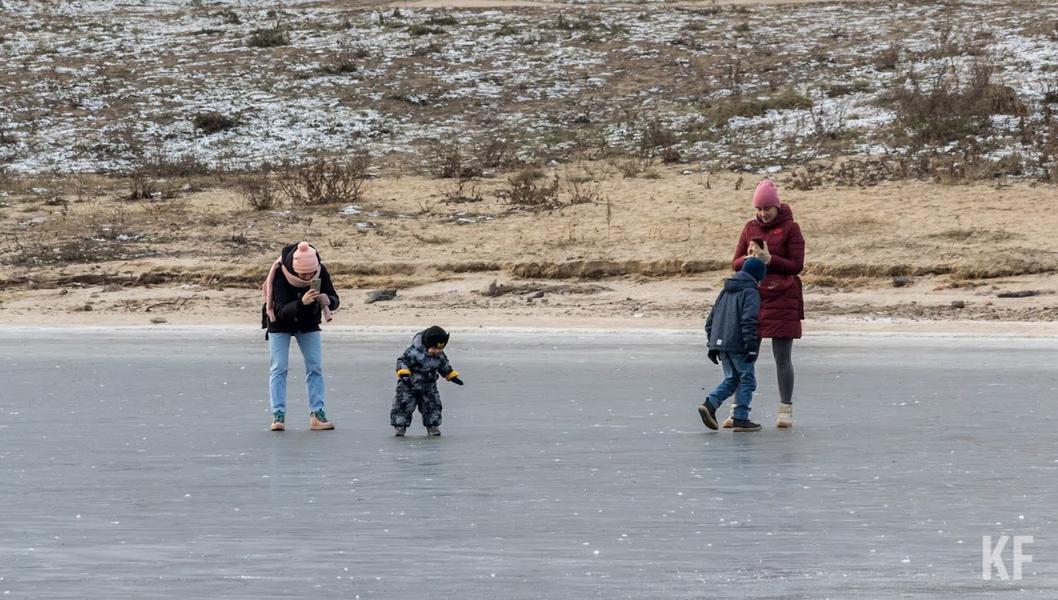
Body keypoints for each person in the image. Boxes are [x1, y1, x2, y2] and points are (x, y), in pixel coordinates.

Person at [726, 179, 806, 429]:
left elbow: (796, 265)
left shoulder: (791, 228)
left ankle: (785, 410)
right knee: (746, 356)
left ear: (776, 206)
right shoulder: (750, 228)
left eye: (767, 208)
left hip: (783, 299)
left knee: (782, 358)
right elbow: (735, 263)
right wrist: (749, 258)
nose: (763, 213)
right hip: (753, 298)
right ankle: (738, 410)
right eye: (759, 209)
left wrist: (770, 259)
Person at [261, 241, 340, 432]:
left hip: (308, 322)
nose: (308, 277)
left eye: (311, 273)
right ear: (294, 268)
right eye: (303, 274)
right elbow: (280, 311)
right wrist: (301, 302)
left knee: (315, 367)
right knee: (279, 368)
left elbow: (334, 298)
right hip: (279, 323)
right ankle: (278, 415)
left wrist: (329, 300)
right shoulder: (280, 273)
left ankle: (317, 414)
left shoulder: (320, 271)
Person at [698, 257, 767, 432]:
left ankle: (710, 404)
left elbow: (711, 320)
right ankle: (740, 418)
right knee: (747, 380)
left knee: (732, 378)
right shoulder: (750, 291)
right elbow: (749, 320)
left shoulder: (725, 290)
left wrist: (712, 344)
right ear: (757, 276)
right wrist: (751, 346)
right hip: (738, 344)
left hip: (722, 343)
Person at [391, 326, 464, 437]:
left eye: (440, 349)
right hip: (409, 385)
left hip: (429, 386)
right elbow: (402, 362)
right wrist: (404, 374)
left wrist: (451, 375)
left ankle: (432, 426)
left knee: (433, 406)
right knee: (403, 405)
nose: (437, 351)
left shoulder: (440, 356)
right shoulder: (414, 352)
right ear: (427, 344)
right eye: (434, 348)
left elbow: (444, 365)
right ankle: (400, 426)